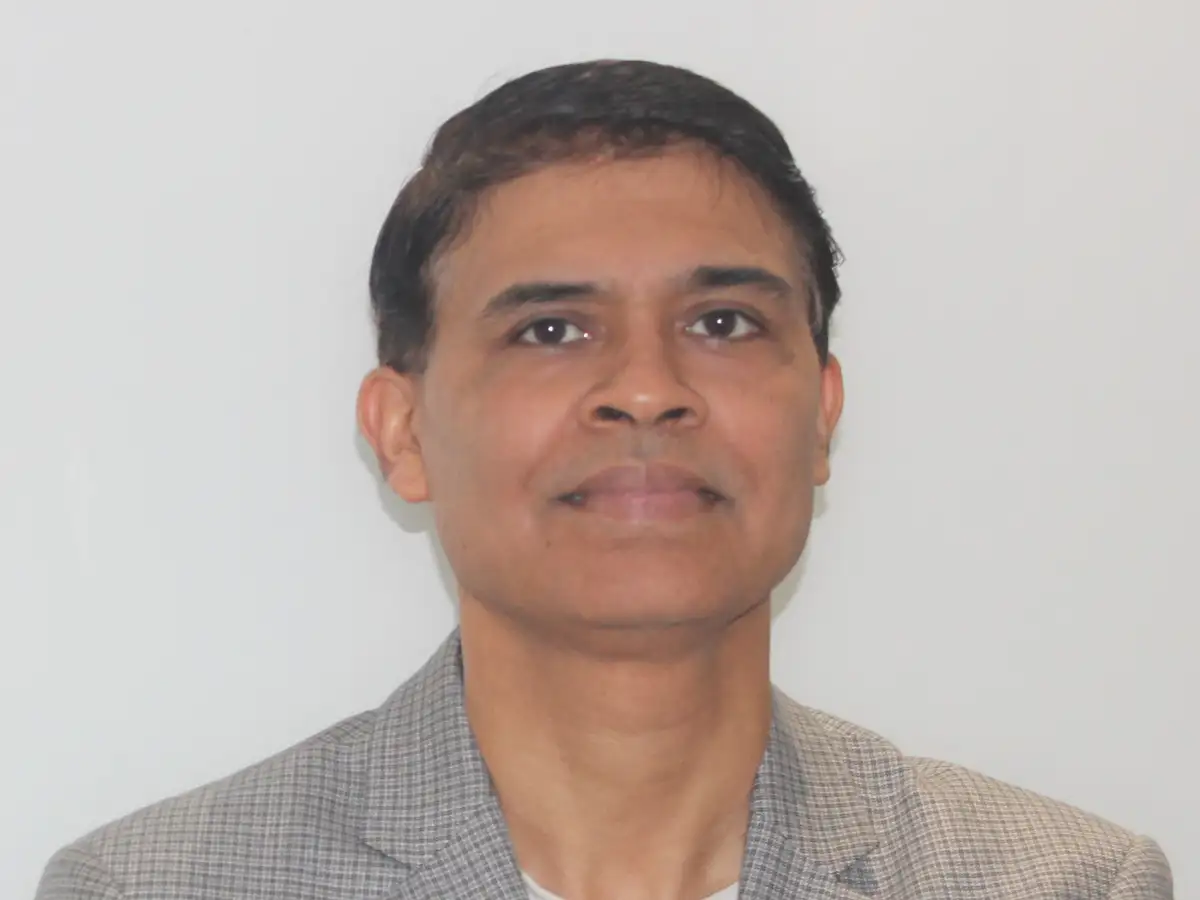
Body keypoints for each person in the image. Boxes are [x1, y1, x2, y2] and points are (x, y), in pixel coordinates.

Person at [37, 59, 1173, 900]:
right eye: (550, 330)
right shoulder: (155, 887)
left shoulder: (1064, 883)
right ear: (403, 432)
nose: (645, 390)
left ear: (822, 416)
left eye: (722, 322)